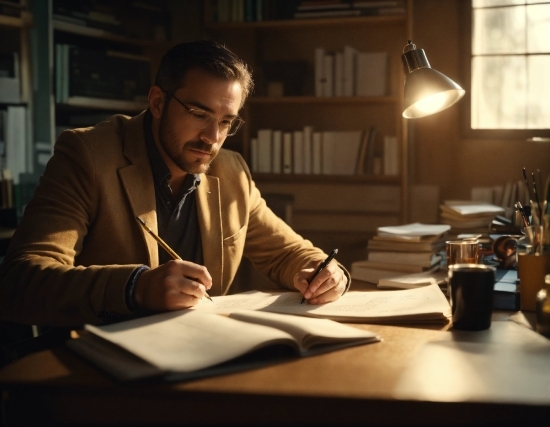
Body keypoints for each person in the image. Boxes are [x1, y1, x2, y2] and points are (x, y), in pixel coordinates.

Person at [0, 39, 350, 328]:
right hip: (97, 369)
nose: (212, 138)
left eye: (226, 122)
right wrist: (136, 287)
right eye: (199, 114)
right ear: (157, 102)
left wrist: (329, 274)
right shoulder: (88, 155)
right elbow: (22, 280)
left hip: (201, 353)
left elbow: (289, 253)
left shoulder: (231, 171)